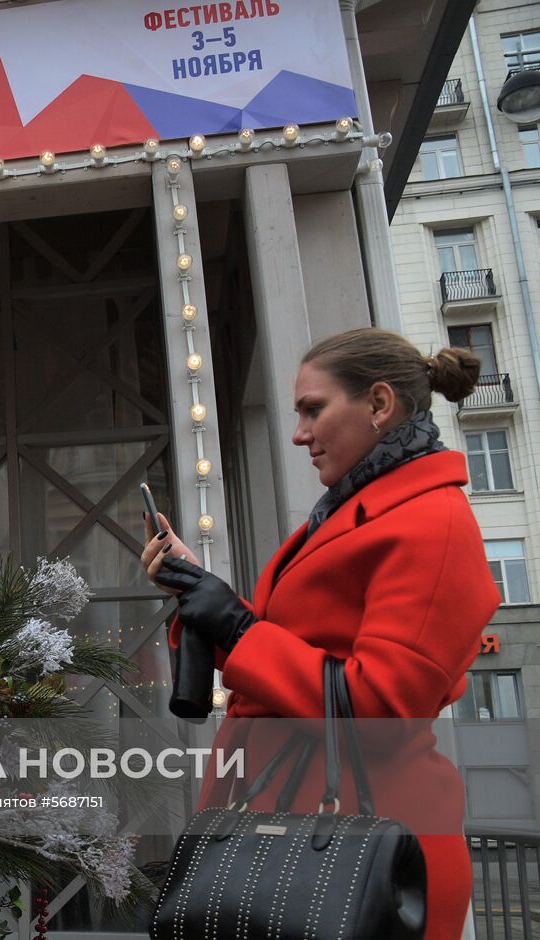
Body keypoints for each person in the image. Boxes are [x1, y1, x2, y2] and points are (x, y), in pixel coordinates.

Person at [141, 327, 498, 940]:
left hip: (359, 855)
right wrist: (202, 595)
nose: (300, 433)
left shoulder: (431, 522)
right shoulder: (362, 507)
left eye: (313, 409)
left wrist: (236, 623)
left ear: (380, 405)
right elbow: (299, 652)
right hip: (300, 840)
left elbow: (380, 708)